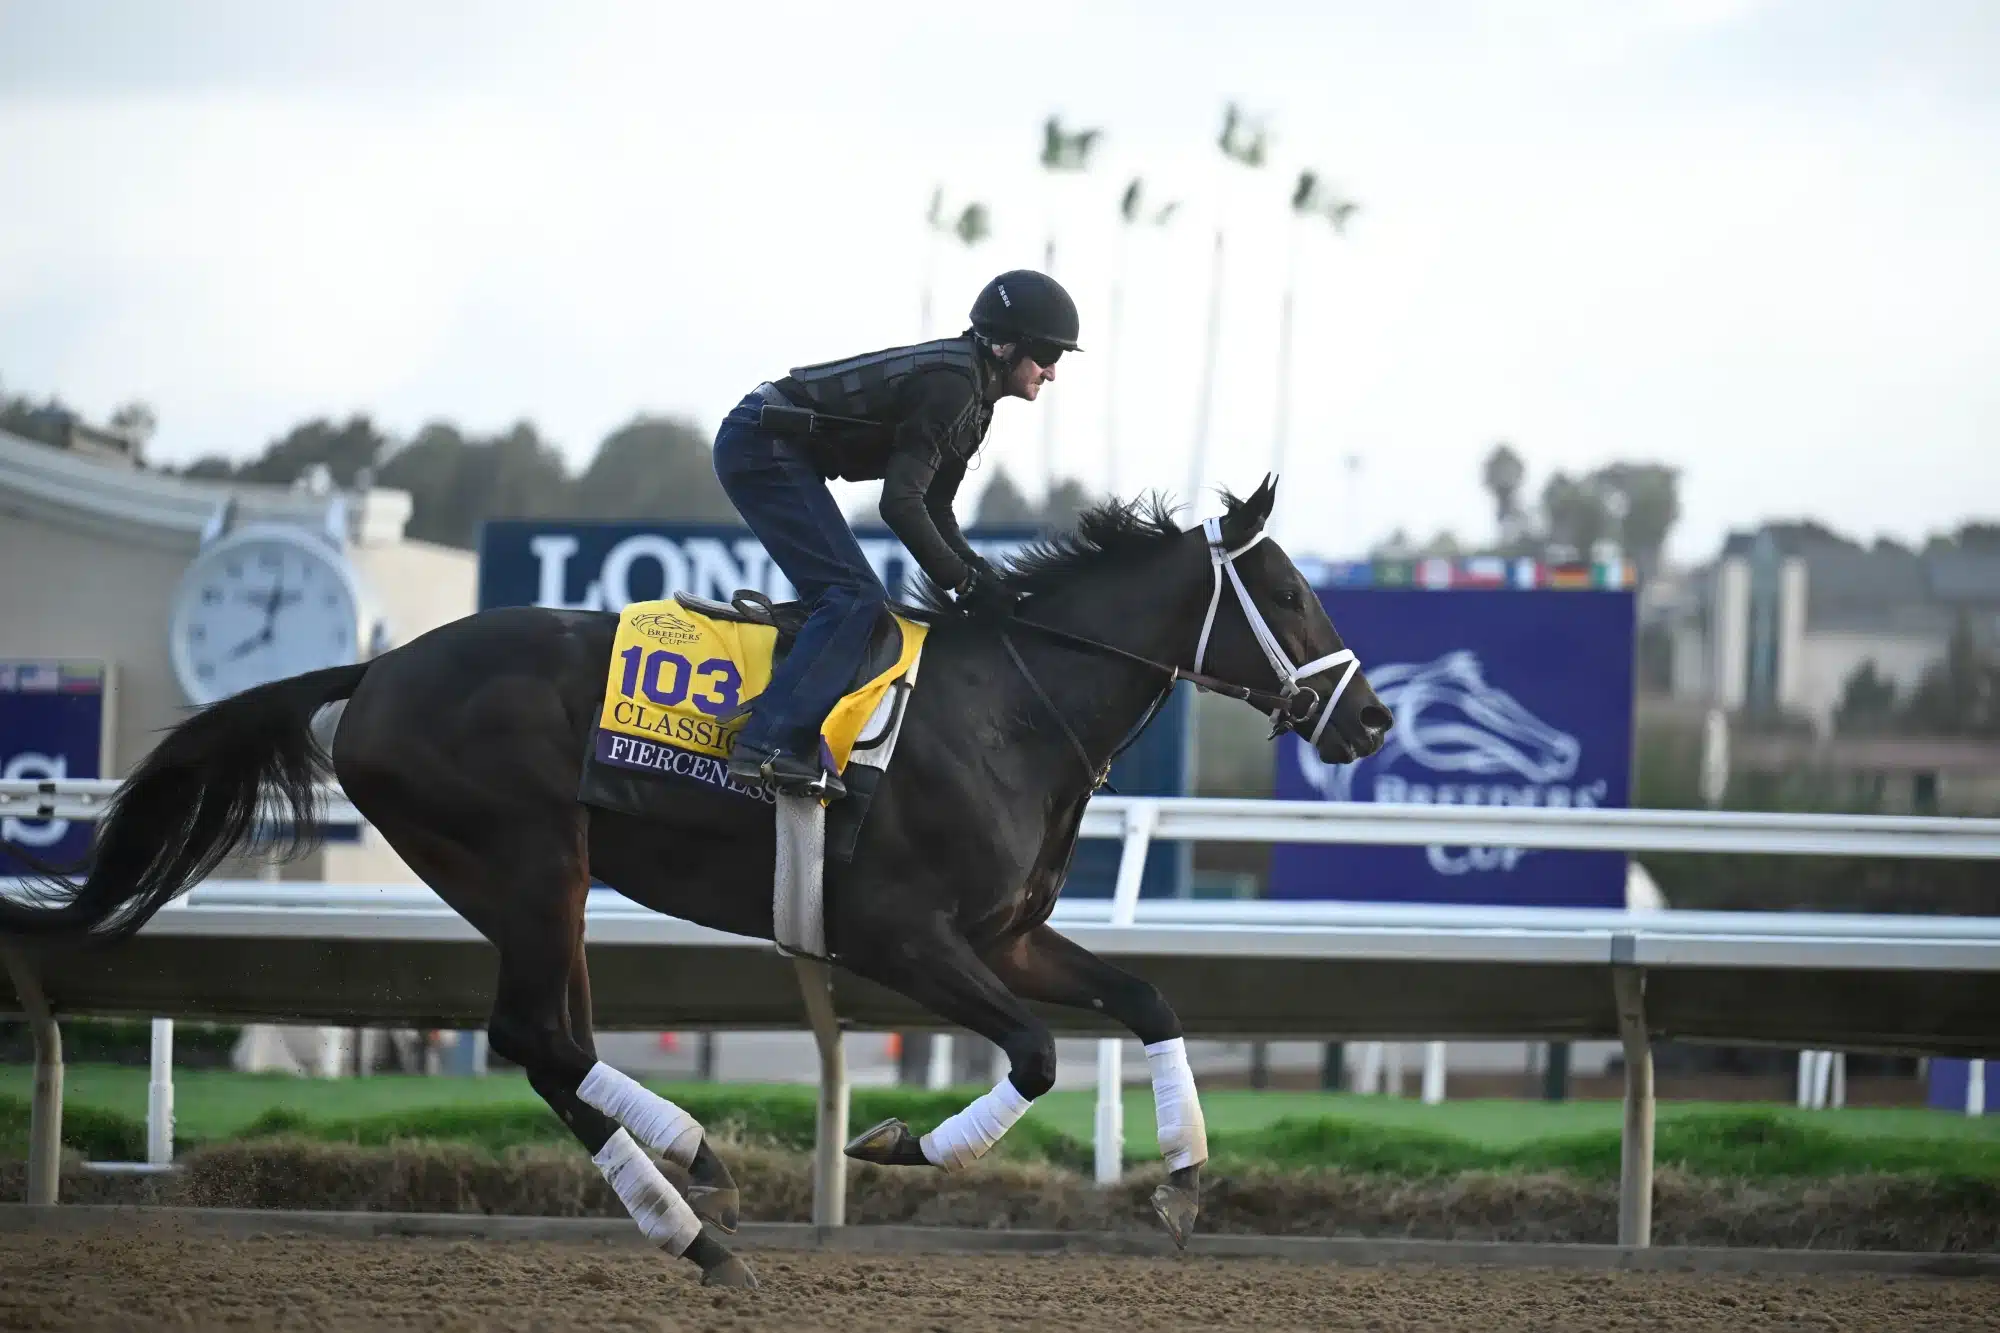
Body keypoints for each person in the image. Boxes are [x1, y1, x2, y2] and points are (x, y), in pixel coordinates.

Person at [712, 269, 1081, 799]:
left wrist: (983, 580)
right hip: (760, 442)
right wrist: (964, 584)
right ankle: (766, 745)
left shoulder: (976, 400)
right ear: (1006, 347)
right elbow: (899, 504)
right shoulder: (953, 386)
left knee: (849, 598)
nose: (1051, 373)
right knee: (853, 598)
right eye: (1048, 356)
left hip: (781, 446)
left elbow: (936, 507)